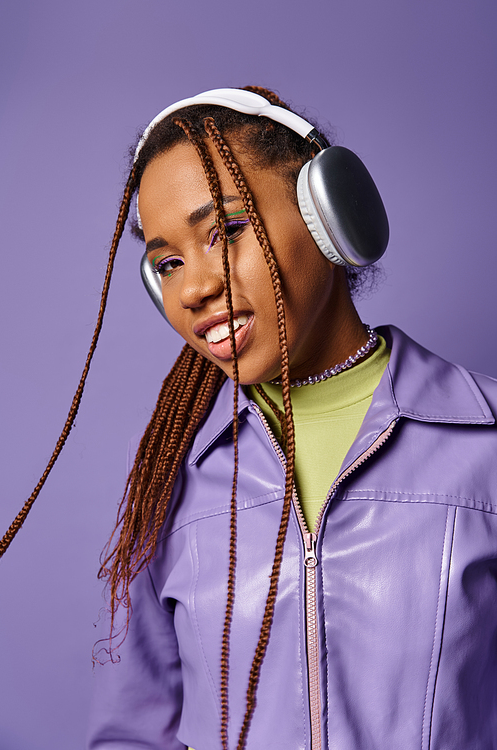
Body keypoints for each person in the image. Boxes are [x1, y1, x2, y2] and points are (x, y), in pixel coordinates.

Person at [85, 87, 497, 750]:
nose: (192, 288)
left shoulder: (485, 445)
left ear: (332, 215)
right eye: (167, 263)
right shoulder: (168, 485)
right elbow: (132, 734)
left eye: (225, 230)